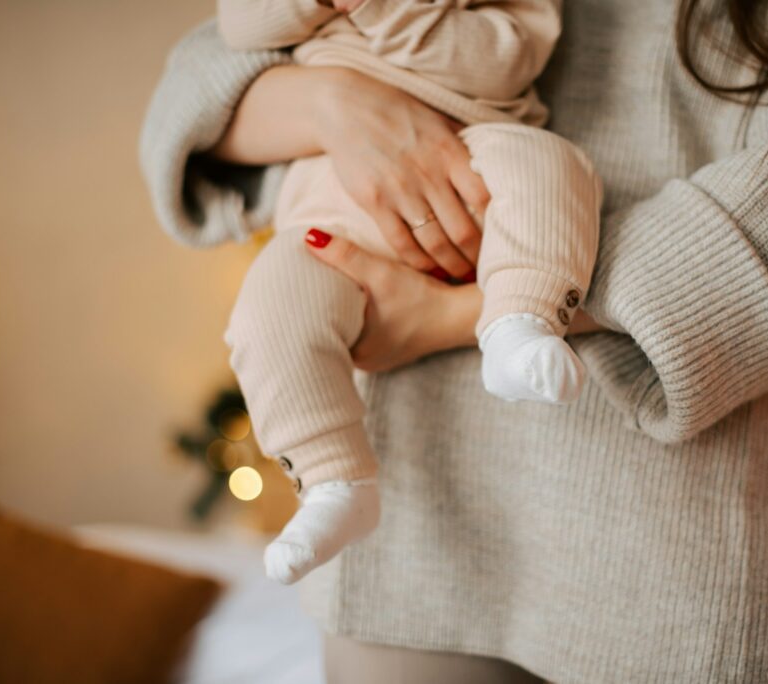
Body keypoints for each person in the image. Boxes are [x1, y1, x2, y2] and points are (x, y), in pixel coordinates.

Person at [139, 0, 768, 681]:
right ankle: (331, 478)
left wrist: (450, 313)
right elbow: (187, 95)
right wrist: (331, 104)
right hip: (409, 550)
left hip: (668, 558)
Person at [213, 0, 602, 586]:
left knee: (549, 166)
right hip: (329, 193)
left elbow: (506, 64)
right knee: (271, 308)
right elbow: (237, 26)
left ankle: (519, 321)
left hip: (474, 152)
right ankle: (332, 482)